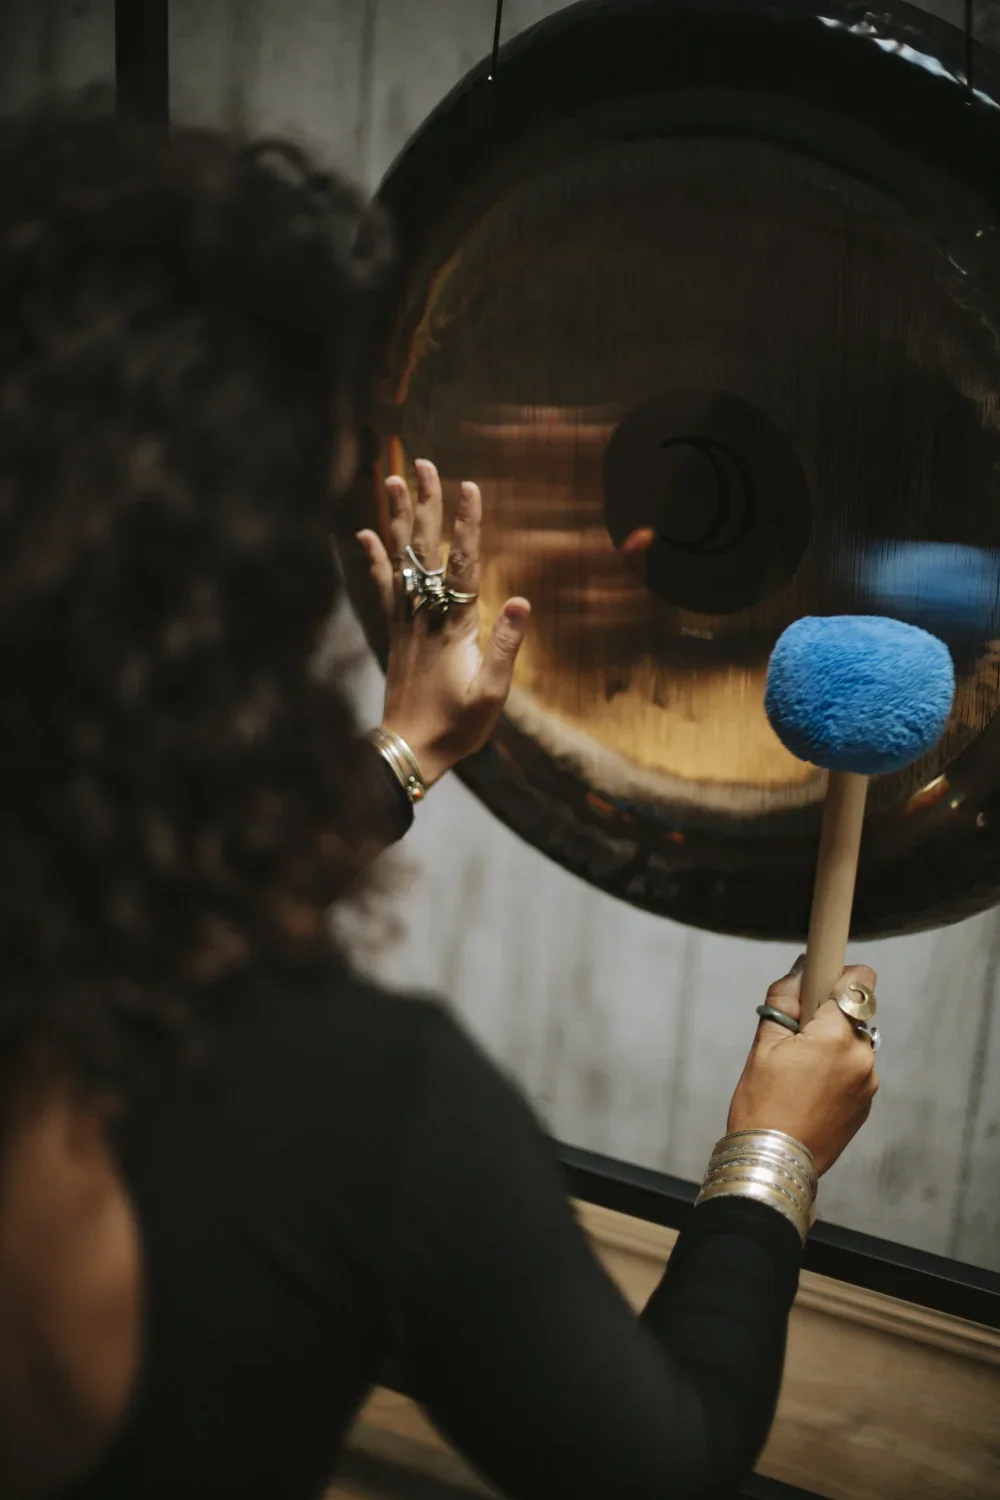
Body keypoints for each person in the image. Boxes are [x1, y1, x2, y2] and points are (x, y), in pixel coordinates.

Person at [0, 97, 879, 1500]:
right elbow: (662, 1468)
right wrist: (774, 1148)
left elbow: (121, 915)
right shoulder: (361, 1108)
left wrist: (408, 744)